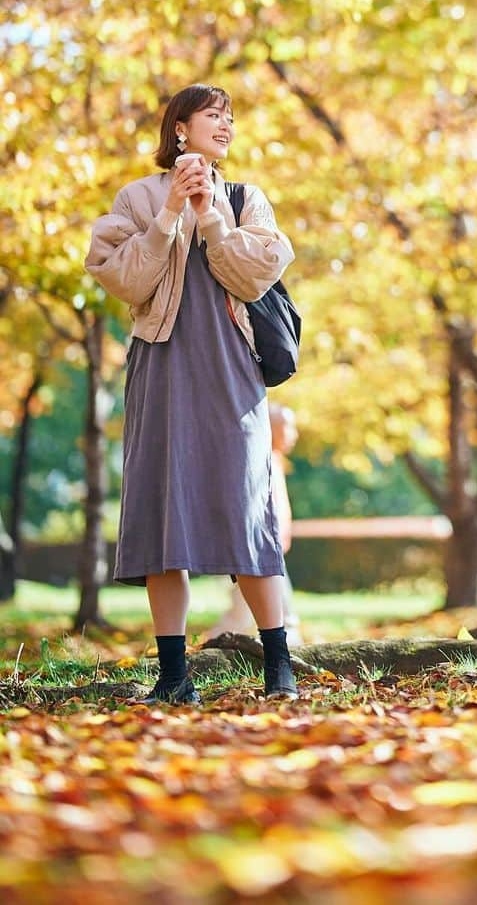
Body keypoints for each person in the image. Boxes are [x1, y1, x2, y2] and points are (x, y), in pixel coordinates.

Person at [85, 83, 299, 703]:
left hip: (232, 371)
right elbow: (123, 280)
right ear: (180, 127)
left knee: (246, 511)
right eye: (214, 115)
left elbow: (259, 275)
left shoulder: (244, 197)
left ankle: (278, 667)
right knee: (162, 516)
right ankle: (174, 677)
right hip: (161, 369)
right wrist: (170, 213)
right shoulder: (137, 198)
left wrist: (210, 215)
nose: (226, 125)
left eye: (230, 117)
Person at [205, 403, 303, 649]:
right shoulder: (254, 458)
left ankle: (213, 645)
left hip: (269, 548)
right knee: (250, 611)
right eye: (288, 427)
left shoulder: (276, 460)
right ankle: (211, 646)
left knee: (250, 610)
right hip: (254, 550)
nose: (294, 434)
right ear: (272, 427)